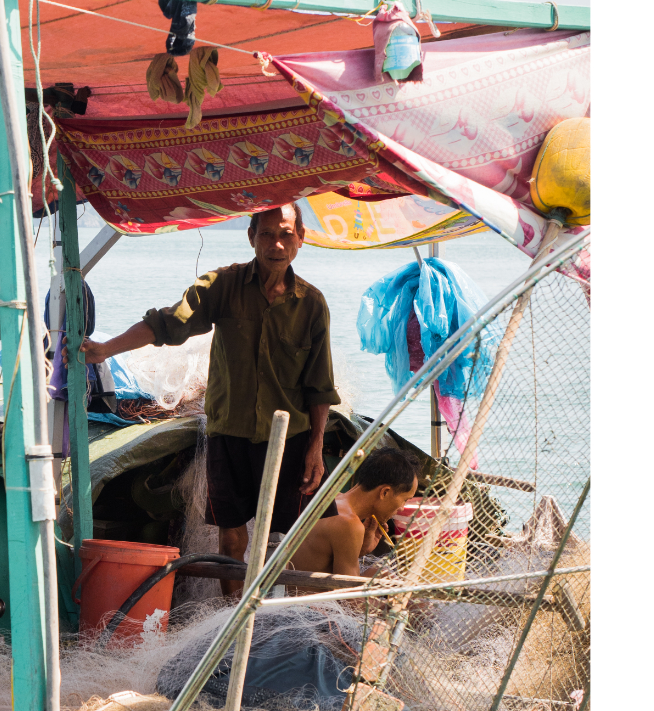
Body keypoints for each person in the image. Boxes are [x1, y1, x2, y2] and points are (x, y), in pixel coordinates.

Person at [81, 205, 341, 561]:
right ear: (251, 237)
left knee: (300, 539)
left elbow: (319, 385)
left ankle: (287, 615)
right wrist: (104, 350)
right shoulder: (223, 285)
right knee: (232, 541)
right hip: (229, 435)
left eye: (285, 234)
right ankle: (228, 615)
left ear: (300, 239)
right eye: (266, 234)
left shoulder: (312, 304)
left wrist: (315, 448)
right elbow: (167, 323)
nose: (276, 244)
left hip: (289, 441)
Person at [279, 446, 421, 585]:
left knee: (381, 573)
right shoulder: (349, 524)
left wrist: (362, 549)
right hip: (310, 606)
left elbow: (320, 560)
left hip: (291, 589)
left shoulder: (333, 498)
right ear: (385, 492)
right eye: (404, 499)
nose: (402, 508)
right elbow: (348, 599)